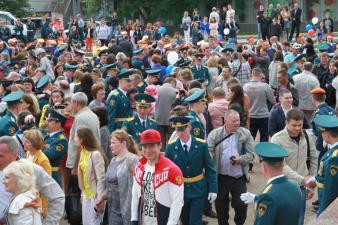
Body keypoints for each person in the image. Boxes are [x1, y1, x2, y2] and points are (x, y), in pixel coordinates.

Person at [0, 137, 65, 225]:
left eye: (1, 156)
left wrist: (49, 223)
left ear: (14, 155)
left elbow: (57, 197)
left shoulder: (31, 170)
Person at [166, 116, 217, 225]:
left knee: (195, 221)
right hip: (180, 191)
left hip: (198, 189)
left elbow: (210, 169)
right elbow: (167, 172)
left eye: (183, 129)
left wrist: (213, 189)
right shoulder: (171, 147)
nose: (180, 133)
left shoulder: (201, 145)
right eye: (177, 130)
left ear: (189, 127)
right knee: (184, 221)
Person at [271, 108, 318, 225]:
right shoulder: (277, 139)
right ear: (286, 122)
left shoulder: (307, 136)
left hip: (301, 188)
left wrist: (312, 183)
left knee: (299, 219)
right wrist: (303, 180)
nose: (297, 128)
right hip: (283, 187)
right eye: (294, 125)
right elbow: (281, 165)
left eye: (300, 125)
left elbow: (313, 157)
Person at [208, 110, 255, 225]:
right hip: (220, 178)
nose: (237, 123)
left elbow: (252, 155)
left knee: (241, 206)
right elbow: (208, 152)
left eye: (238, 120)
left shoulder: (245, 134)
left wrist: (240, 159)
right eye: (234, 121)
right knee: (221, 208)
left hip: (238, 177)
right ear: (226, 121)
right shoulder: (215, 134)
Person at [240, 142, 302, 225]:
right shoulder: (294, 185)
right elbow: (281, 199)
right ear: (283, 165)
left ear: (264, 167)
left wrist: (261, 200)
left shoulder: (268, 197)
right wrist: (257, 198)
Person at [131, 129, 184, 225]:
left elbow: (177, 202)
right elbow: (135, 193)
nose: (147, 150)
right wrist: (134, 218)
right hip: (143, 220)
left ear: (160, 145)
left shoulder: (172, 169)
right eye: (144, 146)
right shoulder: (139, 166)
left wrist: (171, 223)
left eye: (151, 146)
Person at [96, 129, 139, 225]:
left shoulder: (133, 160)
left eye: (113, 143)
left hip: (127, 212)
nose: (110, 145)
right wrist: (102, 196)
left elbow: (138, 188)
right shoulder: (113, 160)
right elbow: (111, 186)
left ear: (123, 143)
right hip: (112, 210)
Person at [76, 127, 108, 225]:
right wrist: (82, 193)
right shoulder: (83, 152)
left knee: (94, 222)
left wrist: (99, 198)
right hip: (86, 194)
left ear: (82, 139)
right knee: (86, 222)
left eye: (76, 137)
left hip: (95, 195)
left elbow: (101, 177)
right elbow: (83, 176)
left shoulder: (95, 154)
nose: (74, 139)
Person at [66, 92, 101, 174]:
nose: (71, 105)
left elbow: (80, 144)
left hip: (82, 162)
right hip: (91, 159)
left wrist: (75, 167)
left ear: (76, 103)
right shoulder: (93, 115)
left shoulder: (80, 118)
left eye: (72, 103)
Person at [312, 115, 338, 215]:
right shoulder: (332, 152)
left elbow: (330, 189)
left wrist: (322, 212)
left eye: (322, 132)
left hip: (329, 207)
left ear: (326, 134)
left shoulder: (334, 158)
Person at [3, 160, 42, 225]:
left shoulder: (23, 202)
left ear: (19, 179)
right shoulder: (22, 198)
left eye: (7, 178)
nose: (3, 182)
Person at [23, 129, 52, 219]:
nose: (24, 144)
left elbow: (47, 185)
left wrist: (45, 207)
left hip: (39, 199)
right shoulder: (28, 153)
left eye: (27, 142)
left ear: (35, 143)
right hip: (30, 194)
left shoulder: (43, 160)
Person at [243, 68, 275, 143]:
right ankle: (263, 153)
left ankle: (251, 153)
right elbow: (273, 101)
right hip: (263, 115)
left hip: (251, 115)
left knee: (250, 137)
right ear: (260, 74)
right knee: (264, 138)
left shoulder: (245, 87)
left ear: (252, 74)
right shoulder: (265, 86)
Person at [44, 108, 68, 186]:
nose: (47, 123)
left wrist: (39, 147)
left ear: (58, 123)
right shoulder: (48, 136)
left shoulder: (61, 140)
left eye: (50, 121)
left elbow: (48, 156)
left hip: (51, 176)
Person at [310, 88, 336, 162]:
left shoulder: (318, 113)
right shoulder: (331, 110)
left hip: (324, 147)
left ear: (313, 99)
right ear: (325, 97)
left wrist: (319, 148)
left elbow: (321, 132)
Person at [155, 77, 177, 149]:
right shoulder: (175, 91)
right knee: (172, 139)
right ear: (172, 83)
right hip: (171, 118)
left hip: (158, 118)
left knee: (161, 140)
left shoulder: (156, 89)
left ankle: (162, 153)